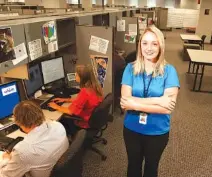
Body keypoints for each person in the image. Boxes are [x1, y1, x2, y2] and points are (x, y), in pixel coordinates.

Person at [120, 26, 180, 177]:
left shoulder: (170, 71)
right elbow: (125, 102)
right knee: (133, 166)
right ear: (139, 45)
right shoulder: (130, 69)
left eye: (154, 43)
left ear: (161, 46)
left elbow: (167, 108)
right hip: (132, 129)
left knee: (151, 169)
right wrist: (159, 100)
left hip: (157, 131)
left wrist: (134, 104)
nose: (149, 48)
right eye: (145, 43)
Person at [0, 100, 69, 177]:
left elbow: (5, 175)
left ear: (17, 122)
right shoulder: (58, 125)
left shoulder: (23, 151)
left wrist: (6, 159)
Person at [48, 65, 103, 136]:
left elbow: (71, 111)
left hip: (84, 121)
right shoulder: (94, 86)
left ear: (82, 78)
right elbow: (82, 101)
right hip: (92, 117)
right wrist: (66, 100)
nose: (75, 76)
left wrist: (56, 107)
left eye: (76, 75)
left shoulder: (85, 92)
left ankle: (72, 138)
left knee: (61, 119)